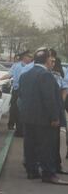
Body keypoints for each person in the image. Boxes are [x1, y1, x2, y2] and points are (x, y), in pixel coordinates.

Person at [18, 47, 68, 184]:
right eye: (50, 58)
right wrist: (54, 117)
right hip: (44, 119)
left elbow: (21, 94)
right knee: (47, 146)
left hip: (28, 117)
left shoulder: (25, 75)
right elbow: (49, 99)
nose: (52, 60)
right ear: (46, 60)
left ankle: (32, 171)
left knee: (30, 145)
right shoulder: (46, 75)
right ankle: (49, 174)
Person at [0, 50, 34, 136]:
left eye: (31, 57)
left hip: (25, 90)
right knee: (14, 107)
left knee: (21, 110)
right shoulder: (16, 65)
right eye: (28, 56)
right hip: (16, 89)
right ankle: (11, 124)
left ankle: (20, 128)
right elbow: (9, 74)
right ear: (24, 57)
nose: (30, 58)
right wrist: (0, 79)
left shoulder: (31, 66)